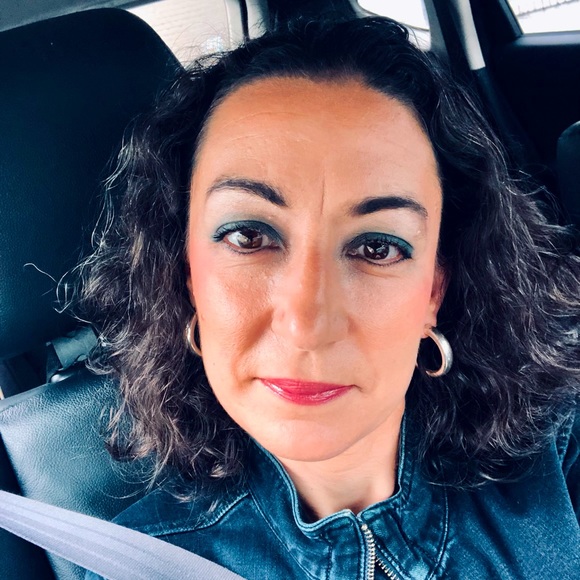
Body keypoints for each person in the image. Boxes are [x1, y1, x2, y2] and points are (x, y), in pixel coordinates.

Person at [80, 15, 580, 579]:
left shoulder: (561, 454)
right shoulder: (135, 567)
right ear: (187, 274)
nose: (307, 324)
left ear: (435, 290)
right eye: (249, 236)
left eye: (376, 247)